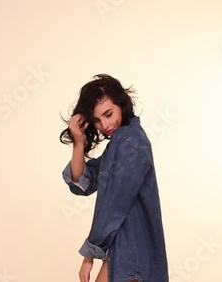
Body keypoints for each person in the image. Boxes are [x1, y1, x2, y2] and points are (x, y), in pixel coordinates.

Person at [60, 74, 169, 282]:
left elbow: (114, 205)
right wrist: (79, 142)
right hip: (126, 250)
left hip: (132, 253)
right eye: (97, 121)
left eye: (108, 114)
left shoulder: (128, 141)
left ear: (121, 103)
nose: (105, 124)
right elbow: (82, 182)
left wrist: (90, 254)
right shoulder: (119, 144)